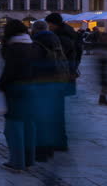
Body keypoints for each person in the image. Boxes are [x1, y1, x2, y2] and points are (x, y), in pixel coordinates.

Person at [0, 20, 37, 172]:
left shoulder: (14, 48)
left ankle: (16, 161)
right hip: (33, 87)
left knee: (14, 126)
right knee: (28, 124)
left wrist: (0, 86)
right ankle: (29, 159)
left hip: (16, 88)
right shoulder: (34, 46)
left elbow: (9, 70)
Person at [29, 20, 69, 163]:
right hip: (57, 84)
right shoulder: (56, 41)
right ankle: (51, 148)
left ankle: (41, 152)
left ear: (35, 30)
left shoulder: (38, 43)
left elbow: (34, 66)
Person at [45, 13, 76, 152]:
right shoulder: (69, 34)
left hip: (58, 78)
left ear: (53, 24)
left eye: (49, 24)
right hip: (66, 76)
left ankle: (58, 141)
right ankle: (60, 140)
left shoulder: (61, 38)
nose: (48, 26)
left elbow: (57, 58)